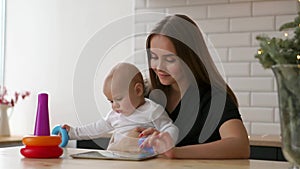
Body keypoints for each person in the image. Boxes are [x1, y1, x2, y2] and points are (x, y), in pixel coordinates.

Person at [137, 14, 250, 159]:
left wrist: (174, 151)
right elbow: (118, 141)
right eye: (154, 57)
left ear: (190, 57)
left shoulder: (213, 98)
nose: (159, 67)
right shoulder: (147, 94)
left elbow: (240, 145)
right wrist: (144, 141)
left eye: (170, 59)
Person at [62, 62, 178, 152]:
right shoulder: (115, 115)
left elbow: (170, 128)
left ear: (138, 90)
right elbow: (96, 128)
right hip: (117, 158)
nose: (114, 106)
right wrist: (72, 133)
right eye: (111, 101)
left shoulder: (152, 110)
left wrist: (166, 140)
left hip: (145, 161)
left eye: (118, 99)